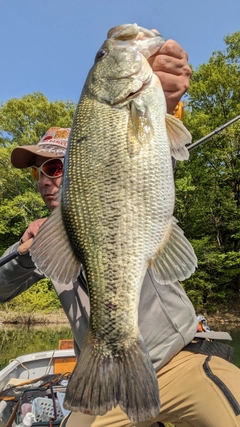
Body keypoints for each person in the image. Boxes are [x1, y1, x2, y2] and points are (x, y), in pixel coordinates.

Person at [1, 39, 240, 427]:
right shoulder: (41, 239)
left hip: (178, 361)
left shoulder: (128, 186)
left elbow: (147, 148)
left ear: (83, 160)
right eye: (37, 171)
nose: (45, 180)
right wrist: (27, 255)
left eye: (56, 167)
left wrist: (168, 98)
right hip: (103, 379)